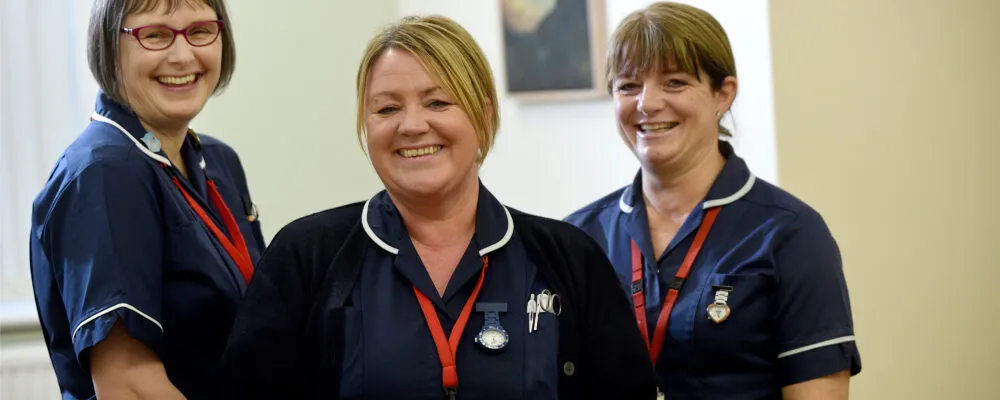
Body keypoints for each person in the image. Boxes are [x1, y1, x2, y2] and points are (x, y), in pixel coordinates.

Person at [218, 14, 657, 400]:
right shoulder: (307, 257)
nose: (412, 125)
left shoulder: (569, 259)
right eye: (387, 108)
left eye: (437, 102)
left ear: (483, 115)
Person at [564, 2, 862, 399]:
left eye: (674, 83)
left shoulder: (790, 234)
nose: (647, 103)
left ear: (723, 94)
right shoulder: (577, 239)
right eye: (628, 86)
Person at [28, 0, 264, 398]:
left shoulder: (217, 162)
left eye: (200, 31)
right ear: (109, 46)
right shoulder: (103, 173)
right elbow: (128, 385)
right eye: (154, 35)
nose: (182, 54)